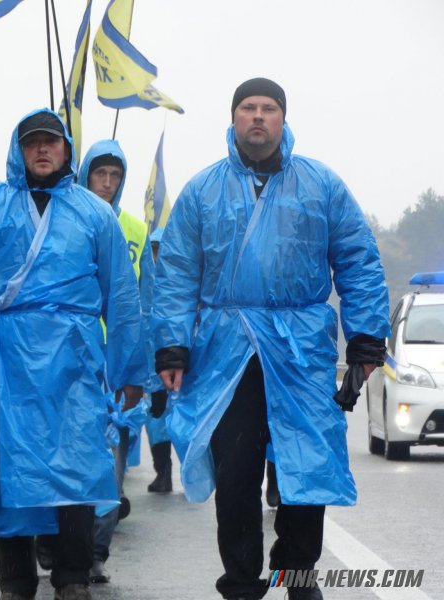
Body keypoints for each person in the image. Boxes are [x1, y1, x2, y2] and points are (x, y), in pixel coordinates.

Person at [152, 78, 390, 600]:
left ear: (284, 119)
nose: (258, 117)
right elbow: (175, 272)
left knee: (306, 469)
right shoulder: (202, 190)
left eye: (268, 108)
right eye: (248, 108)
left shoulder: (320, 185)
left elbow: (357, 258)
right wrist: (172, 345)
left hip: (300, 347)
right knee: (235, 474)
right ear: (233, 118)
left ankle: (297, 577)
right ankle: (240, 581)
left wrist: (367, 339)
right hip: (227, 351)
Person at [0, 109, 148, 600]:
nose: (42, 150)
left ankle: (71, 574)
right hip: (8, 358)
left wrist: (130, 371)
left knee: (79, 462)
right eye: (32, 143)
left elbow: (122, 294)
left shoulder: (94, 213)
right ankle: (16, 580)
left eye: (51, 142)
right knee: (9, 465)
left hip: (75, 356)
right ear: (18, 150)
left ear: (66, 149)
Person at [75, 139, 156, 585]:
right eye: (99, 174)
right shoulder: (65, 219)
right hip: (72, 358)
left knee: (110, 467)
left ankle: (96, 553)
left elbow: (145, 301)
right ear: (84, 174)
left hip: (117, 362)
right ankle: (60, 543)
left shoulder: (135, 230)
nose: (106, 183)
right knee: (67, 460)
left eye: (115, 176)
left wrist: (140, 369)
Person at [142, 227, 174, 494]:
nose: (156, 255)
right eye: (152, 249)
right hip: (151, 365)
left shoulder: (175, 279)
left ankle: (198, 471)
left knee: (184, 420)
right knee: (155, 420)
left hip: (175, 360)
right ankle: (163, 472)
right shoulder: (143, 279)